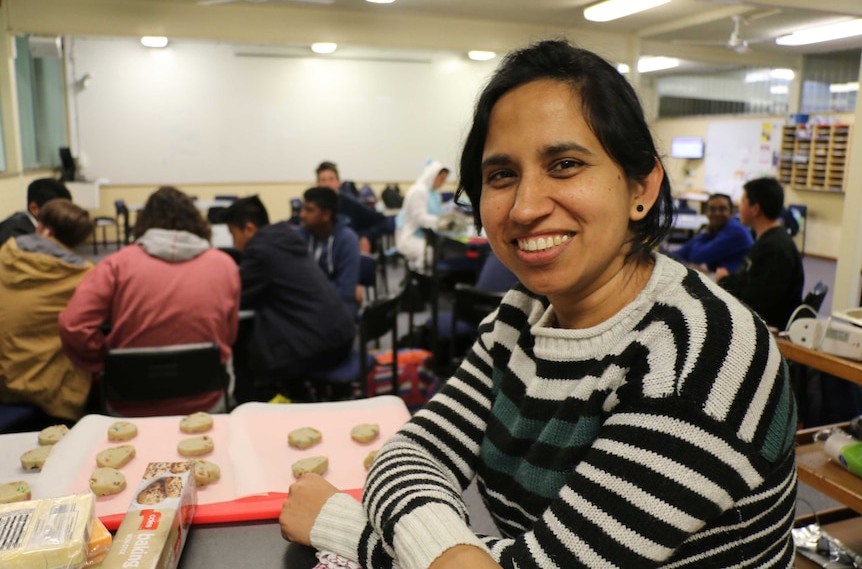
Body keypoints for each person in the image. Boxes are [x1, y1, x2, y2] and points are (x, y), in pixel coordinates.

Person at [279, 39, 797, 569]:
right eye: (502, 175)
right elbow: (407, 456)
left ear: (641, 186)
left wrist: (347, 528)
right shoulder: (524, 312)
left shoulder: (701, 358)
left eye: (566, 164)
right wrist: (452, 554)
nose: (525, 208)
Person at [59, 186, 240, 416]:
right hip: (207, 401)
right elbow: (229, 335)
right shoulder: (225, 265)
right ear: (196, 221)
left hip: (128, 402)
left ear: (144, 222)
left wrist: (106, 359)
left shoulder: (116, 264)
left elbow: (72, 325)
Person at [222, 195, 356, 402]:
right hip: (341, 334)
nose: (233, 242)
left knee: (247, 353)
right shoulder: (287, 238)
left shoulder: (260, 251)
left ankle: (274, 406)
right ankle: (298, 395)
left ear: (248, 229)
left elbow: (237, 296)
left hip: (319, 345)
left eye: (233, 234)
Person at [0, 199, 94, 421]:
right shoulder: (85, 276)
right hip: (50, 392)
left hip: (3, 382)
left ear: (42, 227)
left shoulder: (5, 254)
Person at [716, 177, 804, 330]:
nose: (739, 206)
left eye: (743, 201)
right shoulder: (769, 240)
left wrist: (724, 281)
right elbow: (750, 281)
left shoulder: (774, 248)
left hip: (766, 329)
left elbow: (754, 303)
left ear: (755, 209)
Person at [297, 186, 361, 318]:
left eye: (309, 210)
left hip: (337, 307)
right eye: (302, 208)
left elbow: (346, 291)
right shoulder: (299, 236)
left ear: (326, 215)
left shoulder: (347, 239)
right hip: (306, 303)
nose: (302, 215)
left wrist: (307, 292)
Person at [316, 161, 389, 253]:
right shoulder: (312, 207)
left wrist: (366, 236)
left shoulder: (350, 204)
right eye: (323, 180)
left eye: (331, 179)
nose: (327, 184)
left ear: (338, 182)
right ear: (317, 184)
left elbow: (381, 220)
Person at [672, 193, 753, 273]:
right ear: (706, 213)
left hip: (736, 282)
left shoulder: (735, 232)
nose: (717, 213)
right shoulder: (715, 229)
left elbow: (696, 256)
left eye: (722, 209)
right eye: (712, 209)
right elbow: (682, 252)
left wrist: (704, 233)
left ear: (731, 213)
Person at [394, 160, 450, 271]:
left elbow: (437, 215)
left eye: (444, 179)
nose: (442, 182)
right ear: (432, 175)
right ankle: (419, 281)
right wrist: (442, 222)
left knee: (446, 250)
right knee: (429, 253)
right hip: (411, 237)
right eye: (441, 178)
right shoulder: (418, 191)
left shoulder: (435, 194)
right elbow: (420, 218)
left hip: (428, 236)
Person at [0, 178, 72, 246]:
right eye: (58, 211)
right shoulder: (13, 236)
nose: (64, 215)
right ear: (34, 208)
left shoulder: (47, 226)